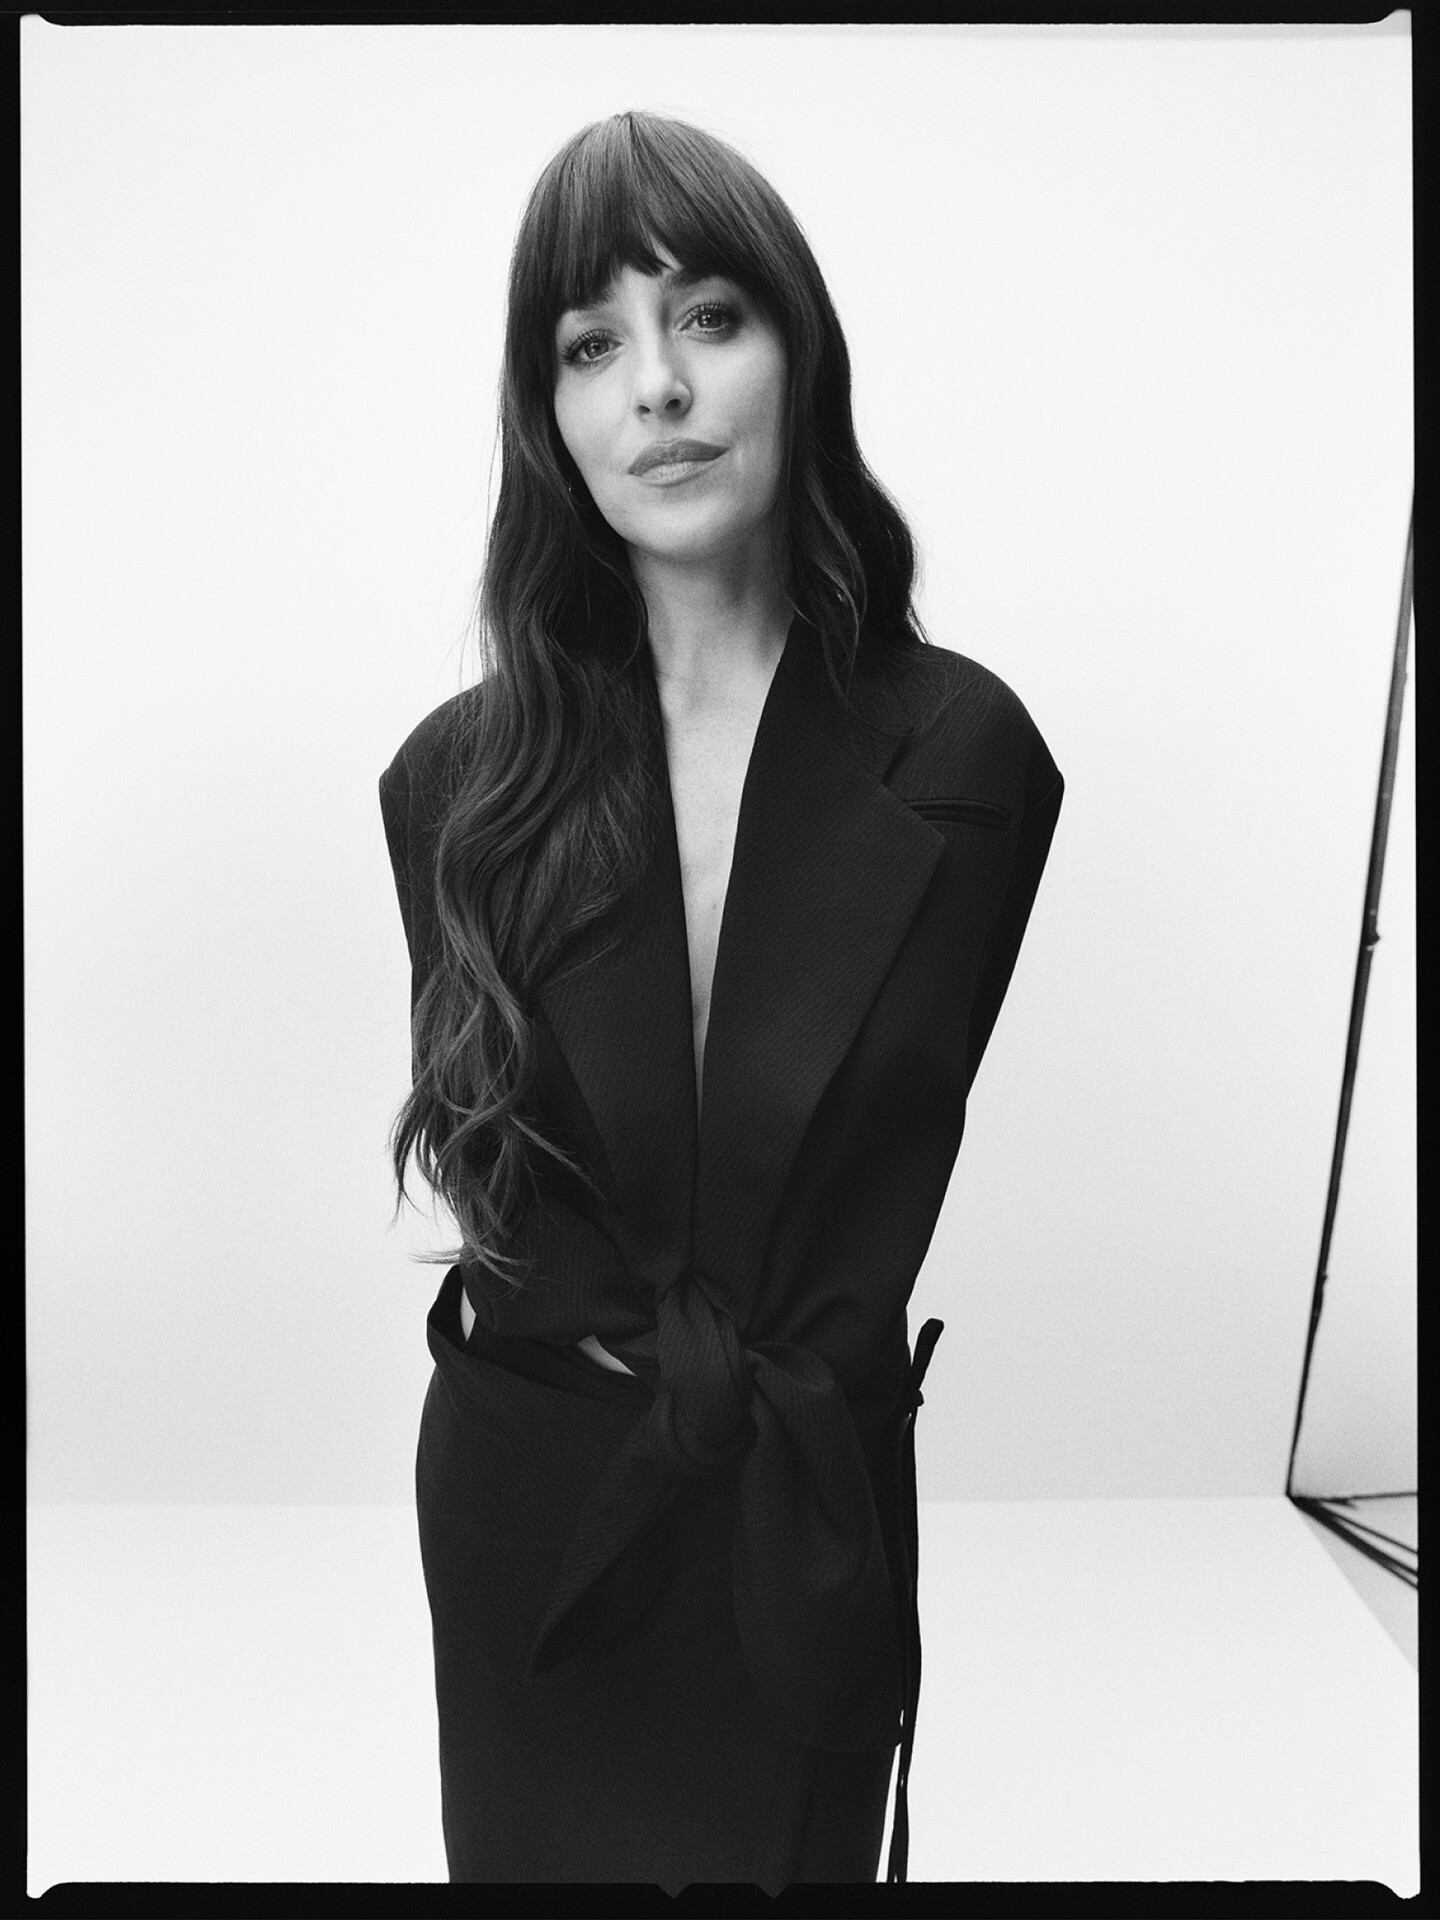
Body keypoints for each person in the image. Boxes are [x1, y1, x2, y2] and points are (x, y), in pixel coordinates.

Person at [379, 108, 1063, 1891]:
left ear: (796, 350)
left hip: (801, 1498)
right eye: (591, 344)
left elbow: (874, 1143)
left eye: (707, 316)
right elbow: (519, 1195)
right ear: (550, 416)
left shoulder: (969, 755)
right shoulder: (453, 784)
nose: (659, 387)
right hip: (535, 1503)